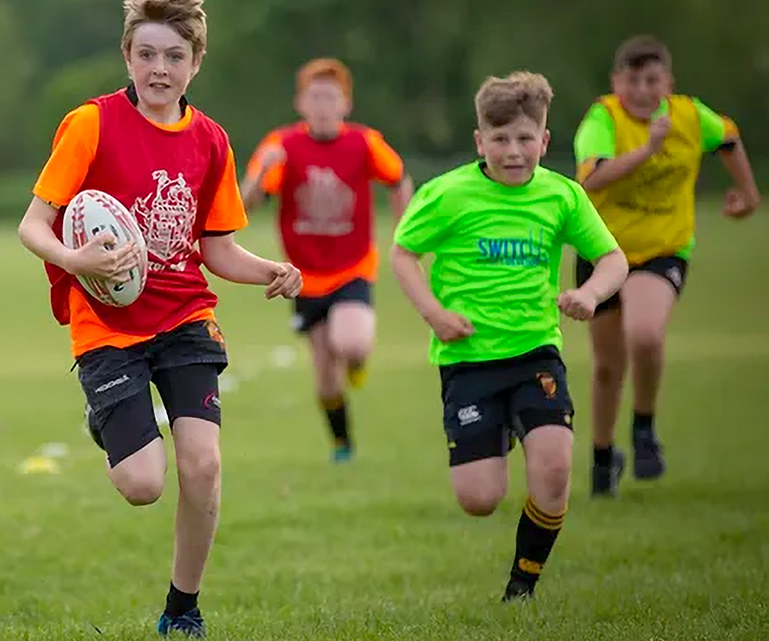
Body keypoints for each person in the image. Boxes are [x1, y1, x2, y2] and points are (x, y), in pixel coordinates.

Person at [16, 0, 302, 637]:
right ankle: (109, 419)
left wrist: (270, 272)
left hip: (184, 319)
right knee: (143, 483)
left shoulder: (211, 140)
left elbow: (217, 248)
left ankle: (183, 609)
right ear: (126, 55)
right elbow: (34, 225)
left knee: (202, 465)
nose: (159, 70)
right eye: (145, 54)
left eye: (174, 56)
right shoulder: (90, 124)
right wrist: (74, 259)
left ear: (196, 62)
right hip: (106, 324)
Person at [390, 72, 628, 600]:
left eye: (525, 139)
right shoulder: (446, 194)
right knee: (479, 498)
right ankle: (502, 430)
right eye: (500, 140)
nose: (513, 152)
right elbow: (402, 254)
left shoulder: (562, 196)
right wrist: (434, 314)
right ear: (480, 142)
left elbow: (614, 259)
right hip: (468, 358)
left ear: (545, 140)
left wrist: (589, 296)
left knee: (555, 464)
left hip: (535, 351)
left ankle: (522, 585)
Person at [573, 35, 761, 496]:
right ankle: (602, 459)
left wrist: (749, 195)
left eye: (651, 80)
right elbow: (592, 179)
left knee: (645, 332)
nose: (641, 90)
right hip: (602, 252)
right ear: (616, 83)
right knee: (606, 366)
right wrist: (645, 151)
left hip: (663, 248)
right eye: (632, 80)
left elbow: (729, 139)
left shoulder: (690, 115)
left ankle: (643, 428)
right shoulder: (603, 119)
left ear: (668, 83)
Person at [240, 58, 413, 462]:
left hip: (353, 267)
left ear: (346, 104)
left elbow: (399, 177)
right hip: (303, 276)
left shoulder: (364, 141)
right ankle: (342, 444)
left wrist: (405, 232)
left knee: (351, 343)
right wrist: (257, 174)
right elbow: (244, 206)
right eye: (314, 97)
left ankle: (358, 360)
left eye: (330, 98)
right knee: (324, 379)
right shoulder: (280, 145)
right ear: (300, 103)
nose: (322, 105)